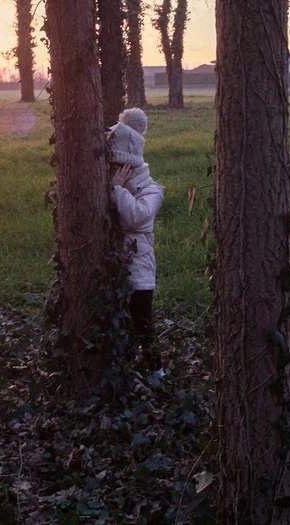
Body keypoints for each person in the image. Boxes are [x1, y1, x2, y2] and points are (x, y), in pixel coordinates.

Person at [108, 108, 165, 370]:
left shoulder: (151, 190)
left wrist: (118, 189)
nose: (115, 171)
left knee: (142, 322)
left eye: (120, 166)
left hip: (140, 268)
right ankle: (127, 369)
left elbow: (136, 217)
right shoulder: (117, 187)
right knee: (121, 321)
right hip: (116, 266)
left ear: (131, 165)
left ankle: (157, 370)